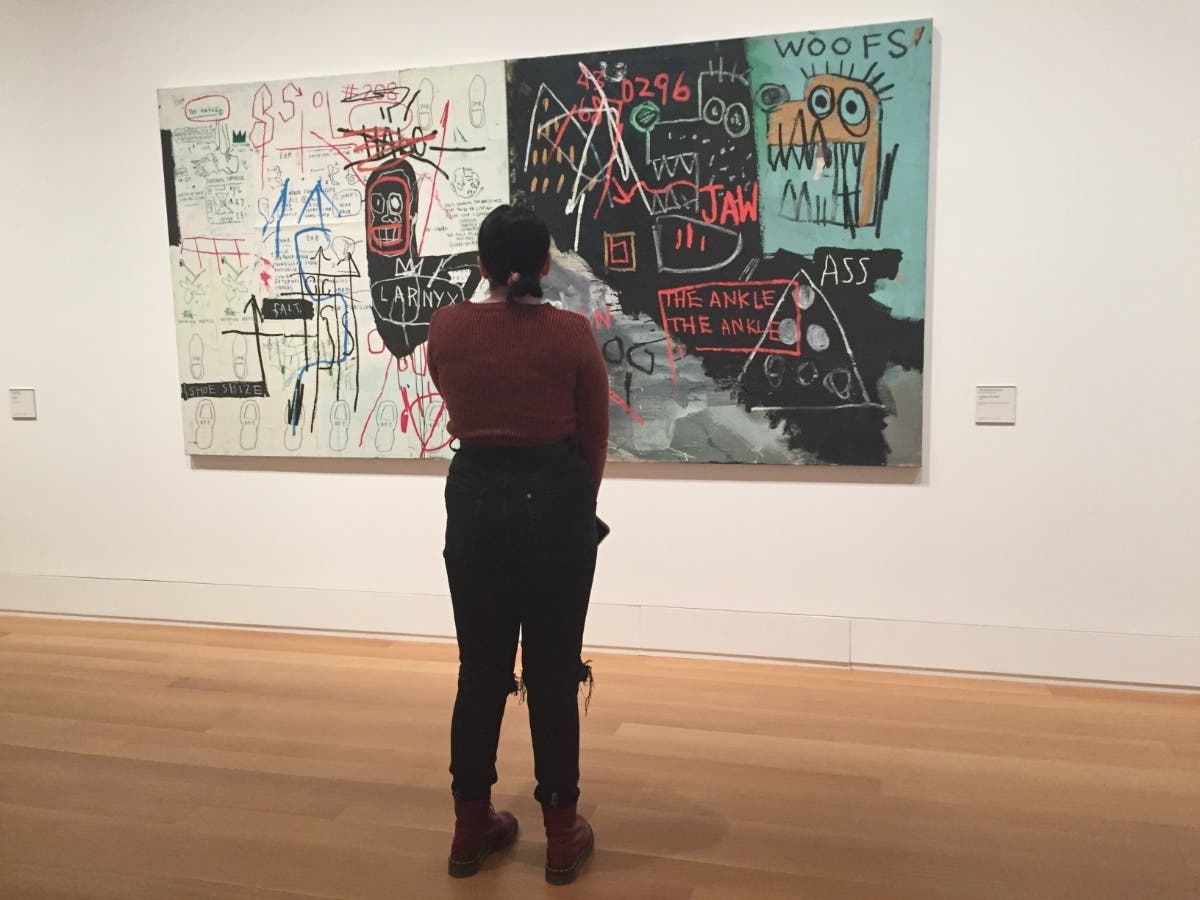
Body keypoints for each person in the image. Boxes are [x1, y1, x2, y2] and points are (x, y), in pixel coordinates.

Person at [426, 204, 610, 885]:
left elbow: (457, 398)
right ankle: (561, 835)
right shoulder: (570, 335)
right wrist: (575, 508)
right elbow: (593, 436)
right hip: (556, 499)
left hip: (473, 497)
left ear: (482, 264)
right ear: (543, 265)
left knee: (480, 672)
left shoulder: (446, 326)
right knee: (553, 676)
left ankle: (470, 827)